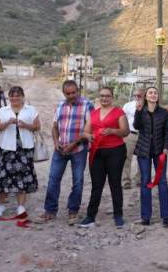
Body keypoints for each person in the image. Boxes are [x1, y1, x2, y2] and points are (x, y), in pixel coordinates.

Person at [34, 80, 94, 225]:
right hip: (60, 149)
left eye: (74, 92)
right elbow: (54, 127)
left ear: (78, 91)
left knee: (78, 181)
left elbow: (89, 129)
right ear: (64, 93)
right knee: (53, 179)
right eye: (68, 93)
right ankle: (50, 211)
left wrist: (73, 145)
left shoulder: (87, 105)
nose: (71, 95)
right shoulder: (60, 105)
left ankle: (73, 211)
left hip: (79, 149)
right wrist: (56, 142)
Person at [79, 87, 130, 228]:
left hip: (116, 151)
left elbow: (125, 131)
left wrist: (113, 130)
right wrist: (88, 136)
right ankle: (90, 217)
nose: (104, 98)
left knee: (115, 183)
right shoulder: (93, 113)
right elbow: (84, 132)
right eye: (102, 96)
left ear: (112, 97)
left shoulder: (119, 112)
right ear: (98, 97)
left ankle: (118, 216)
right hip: (97, 152)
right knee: (97, 185)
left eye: (107, 96)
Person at [0, 86, 40, 217]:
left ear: (22, 96)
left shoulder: (31, 110)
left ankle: (21, 207)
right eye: (12, 96)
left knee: (23, 177)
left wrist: (26, 125)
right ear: (9, 97)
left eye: (17, 95)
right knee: (3, 177)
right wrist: (7, 122)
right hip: (6, 149)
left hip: (24, 149)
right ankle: (0, 206)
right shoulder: (3, 110)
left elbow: (37, 126)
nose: (14, 98)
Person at [133, 87, 168, 227]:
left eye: (155, 93)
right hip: (144, 151)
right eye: (150, 93)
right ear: (146, 96)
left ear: (158, 96)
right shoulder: (141, 110)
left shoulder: (164, 112)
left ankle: (166, 215)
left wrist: (167, 147)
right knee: (145, 182)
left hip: (160, 151)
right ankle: (146, 216)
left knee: (162, 181)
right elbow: (136, 126)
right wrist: (137, 112)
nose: (153, 95)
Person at [122, 88, 144, 189]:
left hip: (144, 135)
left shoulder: (149, 106)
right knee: (126, 157)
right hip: (130, 134)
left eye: (139, 95)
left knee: (142, 158)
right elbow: (123, 119)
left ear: (143, 95)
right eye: (135, 95)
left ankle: (139, 179)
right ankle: (126, 180)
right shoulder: (127, 105)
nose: (137, 97)